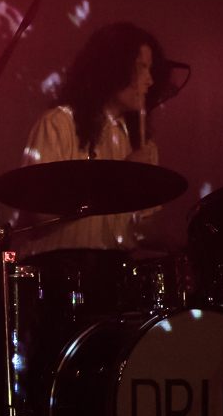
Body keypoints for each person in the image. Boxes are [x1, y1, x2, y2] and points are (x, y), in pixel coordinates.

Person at [14, 22, 175, 258]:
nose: (150, 80)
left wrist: (184, 247)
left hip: (116, 273)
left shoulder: (143, 144)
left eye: (151, 69)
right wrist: (118, 177)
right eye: (141, 68)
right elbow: (39, 213)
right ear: (112, 69)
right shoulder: (59, 124)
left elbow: (140, 227)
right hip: (58, 273)